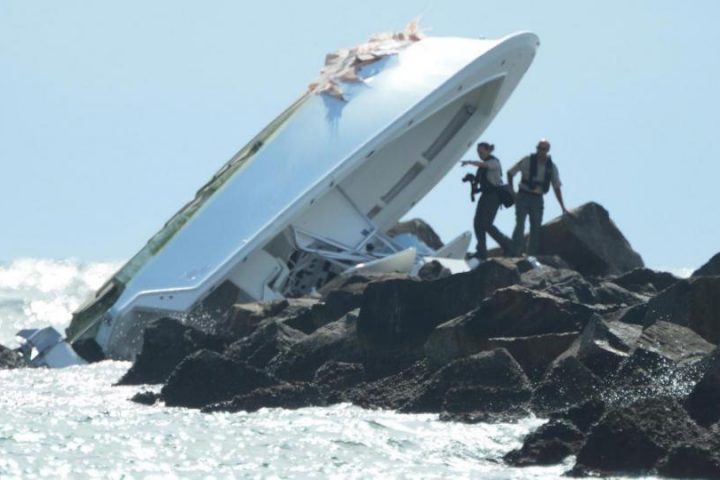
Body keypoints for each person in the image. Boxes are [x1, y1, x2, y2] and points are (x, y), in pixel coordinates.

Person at [507, 138, 570, 256]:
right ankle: (514, 253)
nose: (540, 151)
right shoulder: (527, 160)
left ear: (547, 150)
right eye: (538, 148)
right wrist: (512, 192)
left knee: (535, 227)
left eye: (543, 149)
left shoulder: (551, 167)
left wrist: (563, 207)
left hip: (537, 199)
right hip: (523, 196)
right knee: (520, 224)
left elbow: (556, 187)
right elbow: (510, 173)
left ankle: (531, 256)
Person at [461, 142, 513, 259]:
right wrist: (472, 181)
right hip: (485, 196)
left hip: (493, 197)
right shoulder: (482, 166)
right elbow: (480, 184)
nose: (479, 154)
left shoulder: (493, 162)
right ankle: (482, 251)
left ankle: (508, 245)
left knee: (486, 224)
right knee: (477, 224)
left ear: (488, 150)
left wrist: (469, 162)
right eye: (478, 153)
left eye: (481, 152)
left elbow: (485, 166)